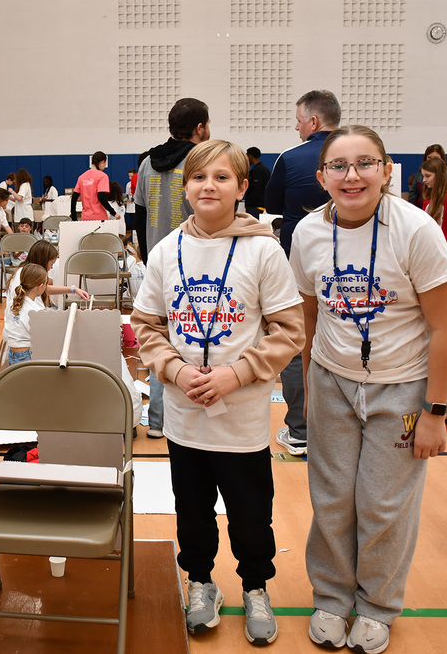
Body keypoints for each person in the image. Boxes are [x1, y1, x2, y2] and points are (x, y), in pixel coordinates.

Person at [289, 125, 447, 653]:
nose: (352, 175)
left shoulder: (416, 230)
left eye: (366, 163)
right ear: (321, 178)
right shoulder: (308, 234)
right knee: (333, 499)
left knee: (383, 504)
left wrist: (435, 411)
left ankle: (378, 606)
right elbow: (309, 316)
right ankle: (333, 598)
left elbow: (444, 327)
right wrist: (312, 388)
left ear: (387, 171)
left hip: (401, 389)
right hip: (332, 381)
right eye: (338, 166)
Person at [131, 140, 304, 646]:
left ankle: (255, 586)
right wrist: (174, 370)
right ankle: (202, 581)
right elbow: (146, 325)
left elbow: (289, 330)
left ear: (243, 187)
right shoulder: (166, 250)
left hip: (243, 417)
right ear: (186, 187)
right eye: (199, 177)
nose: (209, 186)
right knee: (193, 511)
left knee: (251, 513)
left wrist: (238, 373)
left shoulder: (263, 249)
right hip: (186, 414)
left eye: (222, 178)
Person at [265, 89, 341, 457]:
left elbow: (273, 204)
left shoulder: (291, 158)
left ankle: (300, 431)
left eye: (298, 120)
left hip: (299, 262)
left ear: (312, 121)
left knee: (297, 342)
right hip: (352, 267)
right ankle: (339, 431)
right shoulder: (360, 155)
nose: (296, 127)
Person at [134, 97, 211, 439]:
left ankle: (156, 421)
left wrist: (148, 253)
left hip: (156, 261)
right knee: (193, 341)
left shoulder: (148, 162)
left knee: (157, 339)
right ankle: (190, 417)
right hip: (195, 263)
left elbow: (136, 215)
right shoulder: (199, 161)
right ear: (199, 128)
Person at [6, 239, 89, 306]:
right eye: (51, 264)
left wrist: (73, 289)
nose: (51, 267)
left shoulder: (26, 272)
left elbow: (46, 289)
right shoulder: (29, 276)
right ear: (43, 261)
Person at [421, 157, 447, 265]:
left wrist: (446, 255)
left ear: (439, 175)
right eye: (423, 176)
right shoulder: (428, 196)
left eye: (428, 176)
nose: (424, 180)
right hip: (428, 253)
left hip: (445, 256)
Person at [3, 263, 48, 365]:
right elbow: (41, 338)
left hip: (12, 353)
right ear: (40, 287)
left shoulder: (12, 303)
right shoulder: (35, 311)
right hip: (27, 355)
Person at [408, 144, 447, 210]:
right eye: (429, 158)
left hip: (439, 209)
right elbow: (413, 192)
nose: (424, 180)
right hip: (421, 210)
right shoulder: (421, 172)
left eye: (428, 176)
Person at [71, 151, 116, 222]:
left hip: (85, 218)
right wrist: (113, 213)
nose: (104, 167)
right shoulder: (102, 176)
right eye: (105, 164)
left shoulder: (82, 177)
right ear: (102, 162)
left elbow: (74, 198)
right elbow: (101, 197)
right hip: (100, 218)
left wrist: (74, 218)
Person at [244, 147, 270, 218]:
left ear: (250, 156)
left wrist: (248, 204)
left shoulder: (258, 171)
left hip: (255, 207)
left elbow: (256, 189)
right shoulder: (265, 169)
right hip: (262, 205)